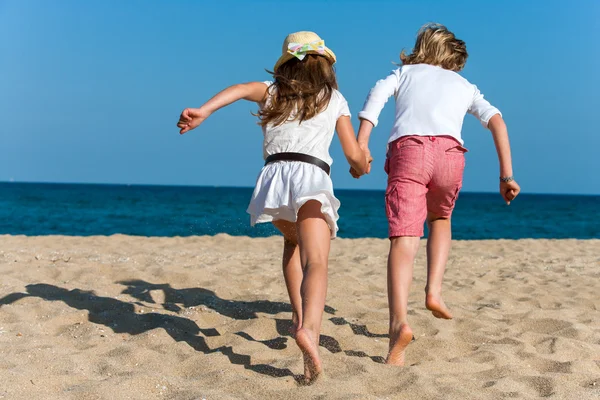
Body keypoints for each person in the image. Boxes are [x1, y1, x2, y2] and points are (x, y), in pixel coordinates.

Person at [177, 31, 369, 383]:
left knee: (292, 244)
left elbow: (237, 89)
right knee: (317, 260)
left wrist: (203, 111)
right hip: (311, 178)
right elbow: (353, 153)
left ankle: (297, 316)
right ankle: (309, 328)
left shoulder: (272, 92)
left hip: (273, 181)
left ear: (285, 66)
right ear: (326, 66)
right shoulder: (334, 98)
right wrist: (362, 163)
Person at [352, 23, 520, 366]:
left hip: (409, 150)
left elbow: (375, 98)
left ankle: (399, 323)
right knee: (441, 218)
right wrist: (506, 175)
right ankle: (434, 292)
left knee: (405, 237)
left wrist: (361, 144)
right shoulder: (464, 85)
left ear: (421, 48)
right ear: (453, 59)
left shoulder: (404, 73)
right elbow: (497, 121)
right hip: (450, 155)